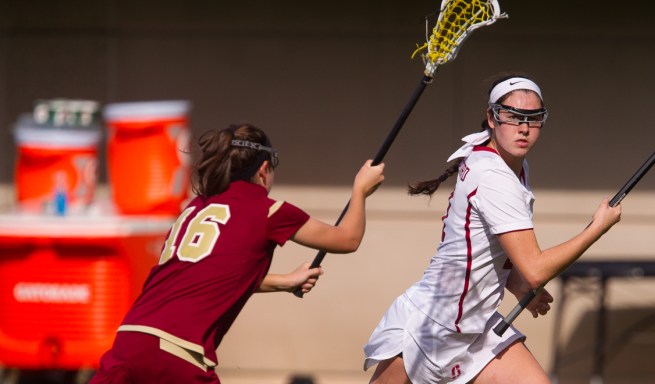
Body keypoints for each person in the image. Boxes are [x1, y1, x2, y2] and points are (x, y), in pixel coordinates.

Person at [363, 74, 622, 384]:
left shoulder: (514, 164)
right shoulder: (494, 176)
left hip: (476, 328)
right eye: (512, 116)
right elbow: (536, 269)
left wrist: (517, 284)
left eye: (534, 118)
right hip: (428, 326)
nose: (523, 128)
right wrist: (597, 229)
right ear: (492, 117)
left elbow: (486, 248)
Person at [90, 123, 385, 383]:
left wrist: (285, 281)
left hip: (129, 339)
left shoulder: (196, 207)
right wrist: (360, 190)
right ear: (263, 170)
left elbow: (209, 274)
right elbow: (347, 239)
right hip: (176, 352)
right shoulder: (268, 209)